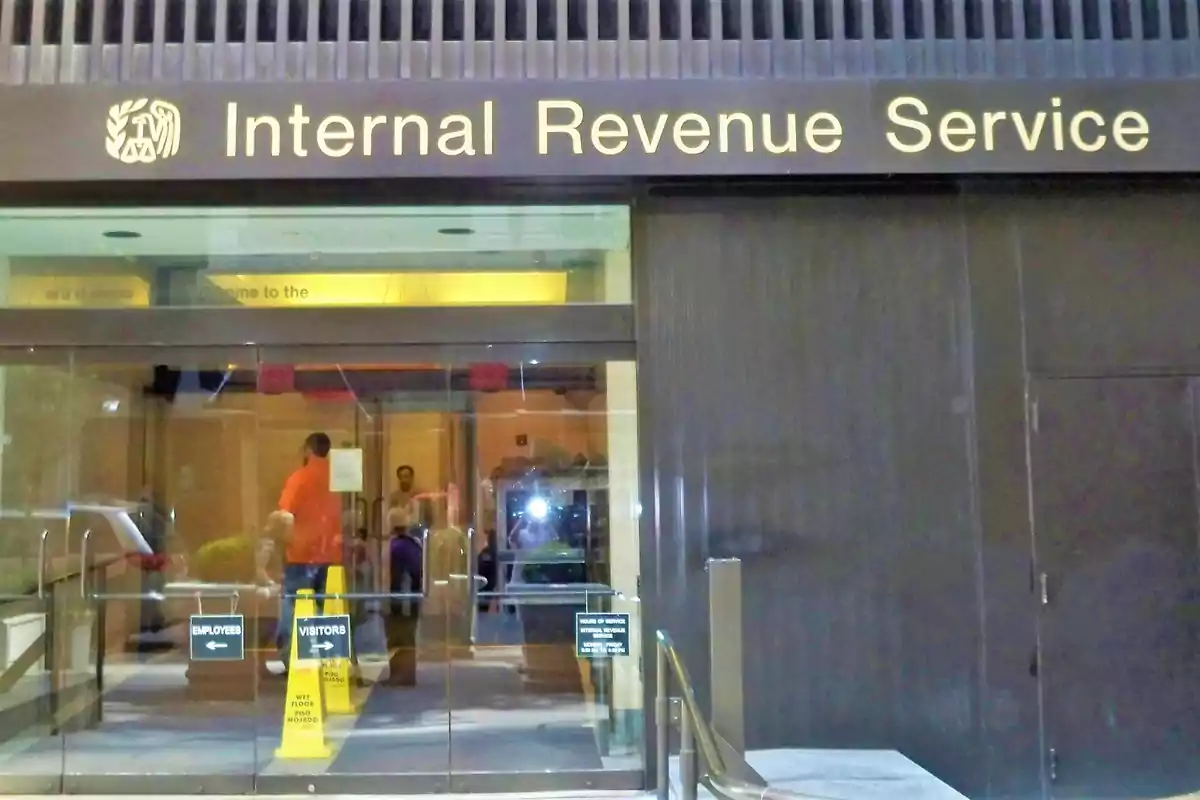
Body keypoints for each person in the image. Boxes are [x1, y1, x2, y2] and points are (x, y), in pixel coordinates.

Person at [268, 431, 342, 673]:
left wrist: (273, 535)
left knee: (294, 603)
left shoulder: (300, 478)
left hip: (301, 554)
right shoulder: (338, 478)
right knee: (325, 607)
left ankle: (293, 657)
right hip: (331, 553)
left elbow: (285, 515)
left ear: (308, 449)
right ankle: (327, 658)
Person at [384, 506, 423, 686]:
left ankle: (400, 675)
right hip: (412, 599)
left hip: (400, 601)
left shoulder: (396, 546)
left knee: (398, 637)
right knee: (408, 637)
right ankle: (407, 674)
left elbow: (397, 577)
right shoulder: (414, 543)